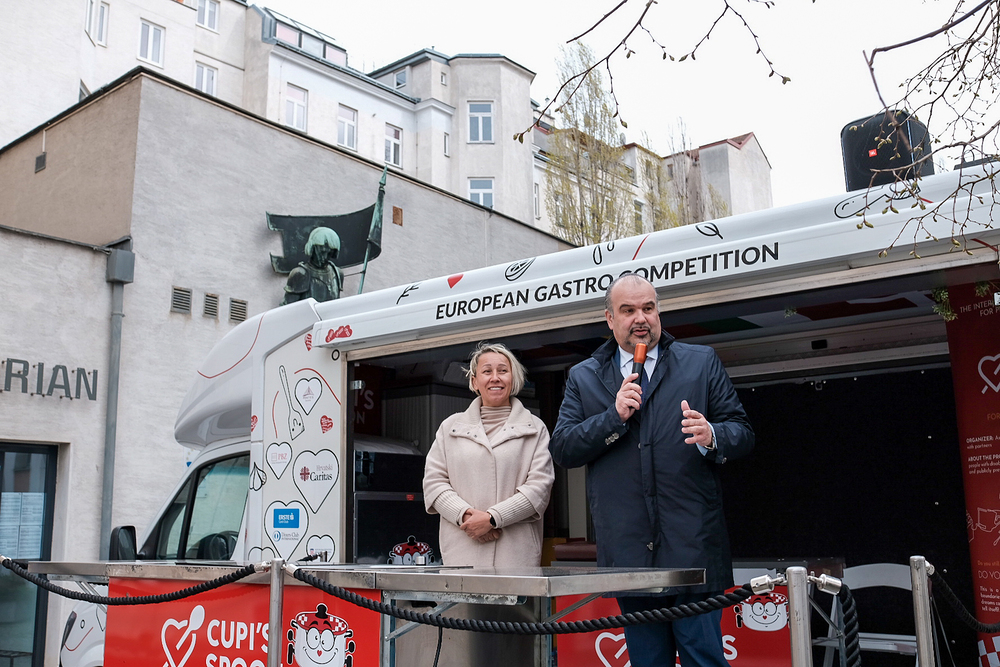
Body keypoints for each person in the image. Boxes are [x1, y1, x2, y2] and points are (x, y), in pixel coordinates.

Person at [550, 274, 754, 667]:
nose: (641, 318)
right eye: (628, 310)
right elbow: (563, 449)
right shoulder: (585, 376)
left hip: (693, 546)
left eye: (648, 308)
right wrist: (612, 417)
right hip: (629, 553)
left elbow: (742, 433)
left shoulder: (700, 362)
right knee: (648, 661)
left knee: (704, 658)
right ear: (610, 319)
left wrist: (712, 435)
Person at [423, 342, 554, 567]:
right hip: (463, 547)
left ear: (513, 379)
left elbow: (539, 488)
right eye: (487, 371)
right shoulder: (450, 427)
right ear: (474, 381)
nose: (495, 378)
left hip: (515, 553)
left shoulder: (535, 428)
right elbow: (434, 483)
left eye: (503, 371)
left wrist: (493, 519)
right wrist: (467, 517)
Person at [282, 227, 345, 304]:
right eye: (322, 252)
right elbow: (287, 306)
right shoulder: (300, 274)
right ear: (312, 248)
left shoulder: (337, 273)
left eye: (329, 253)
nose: (325, 257)